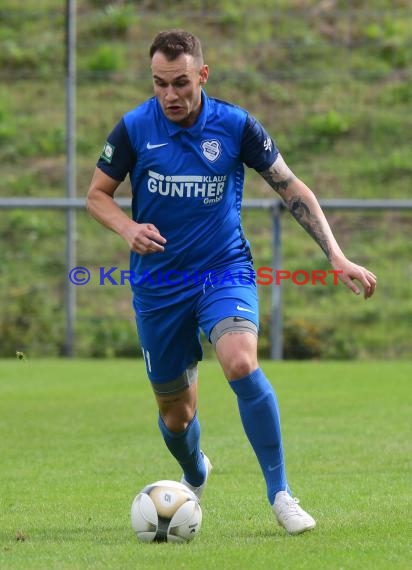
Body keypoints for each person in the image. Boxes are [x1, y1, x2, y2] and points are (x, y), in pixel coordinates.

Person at [86, 29, 376, 535]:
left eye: (180, 83)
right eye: (159, 84)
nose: (170, 95)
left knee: (241, 362)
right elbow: (96, 195)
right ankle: (195, 470)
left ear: (202, 75)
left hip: (224, 269)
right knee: (176, 415)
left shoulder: (236, 125)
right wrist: (128, 227)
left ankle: (281, 494)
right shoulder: (134, 128)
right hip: (159, 284)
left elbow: (291, 187)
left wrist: (336, 255)